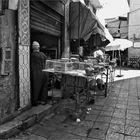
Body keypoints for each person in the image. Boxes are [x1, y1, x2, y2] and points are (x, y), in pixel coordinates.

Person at [30, 41, 48, 106]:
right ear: (39, 47)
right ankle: (43, 101)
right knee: (44, 87)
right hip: (45, 73)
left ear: (32, 47)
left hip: (36, 74)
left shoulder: (32, 55)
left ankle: (35, 102)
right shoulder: (43, 54)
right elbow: (47, 61)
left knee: (36, 87)